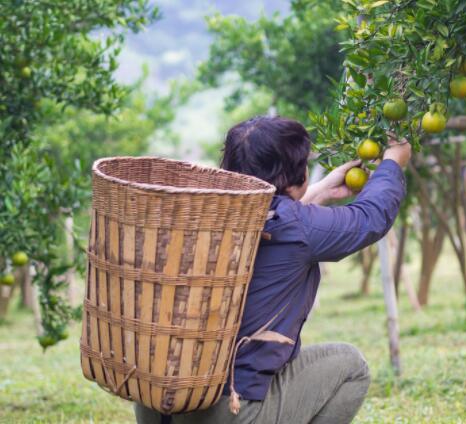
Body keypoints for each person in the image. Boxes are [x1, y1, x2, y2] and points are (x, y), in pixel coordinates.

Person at [135, 116, 410, 424]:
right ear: (298, 173)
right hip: (233, 409)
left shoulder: (207, 212)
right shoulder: (296, 225)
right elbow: (368, 220)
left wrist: (315, 192)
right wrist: (392, 164)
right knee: (351, 367)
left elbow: (271, 216)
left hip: (164, 402)